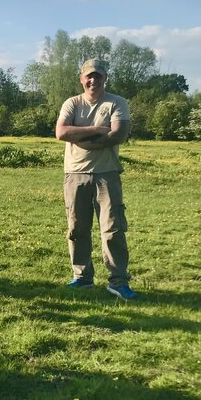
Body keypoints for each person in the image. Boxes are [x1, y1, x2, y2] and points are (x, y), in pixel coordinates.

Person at [55, 58, 137, 300]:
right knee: (77, 228)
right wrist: (98, 130)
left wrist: (79, 136)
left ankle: (118, 281)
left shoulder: (116, 102)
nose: (93, 80)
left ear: (105, 78)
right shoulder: (72, 103)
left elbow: (119, 135)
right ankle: (82, 277)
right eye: (89, 76)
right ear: (81, 79)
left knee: (113, 229)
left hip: (107, 173)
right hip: (75, 174)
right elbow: (61, 132)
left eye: (98, 76)